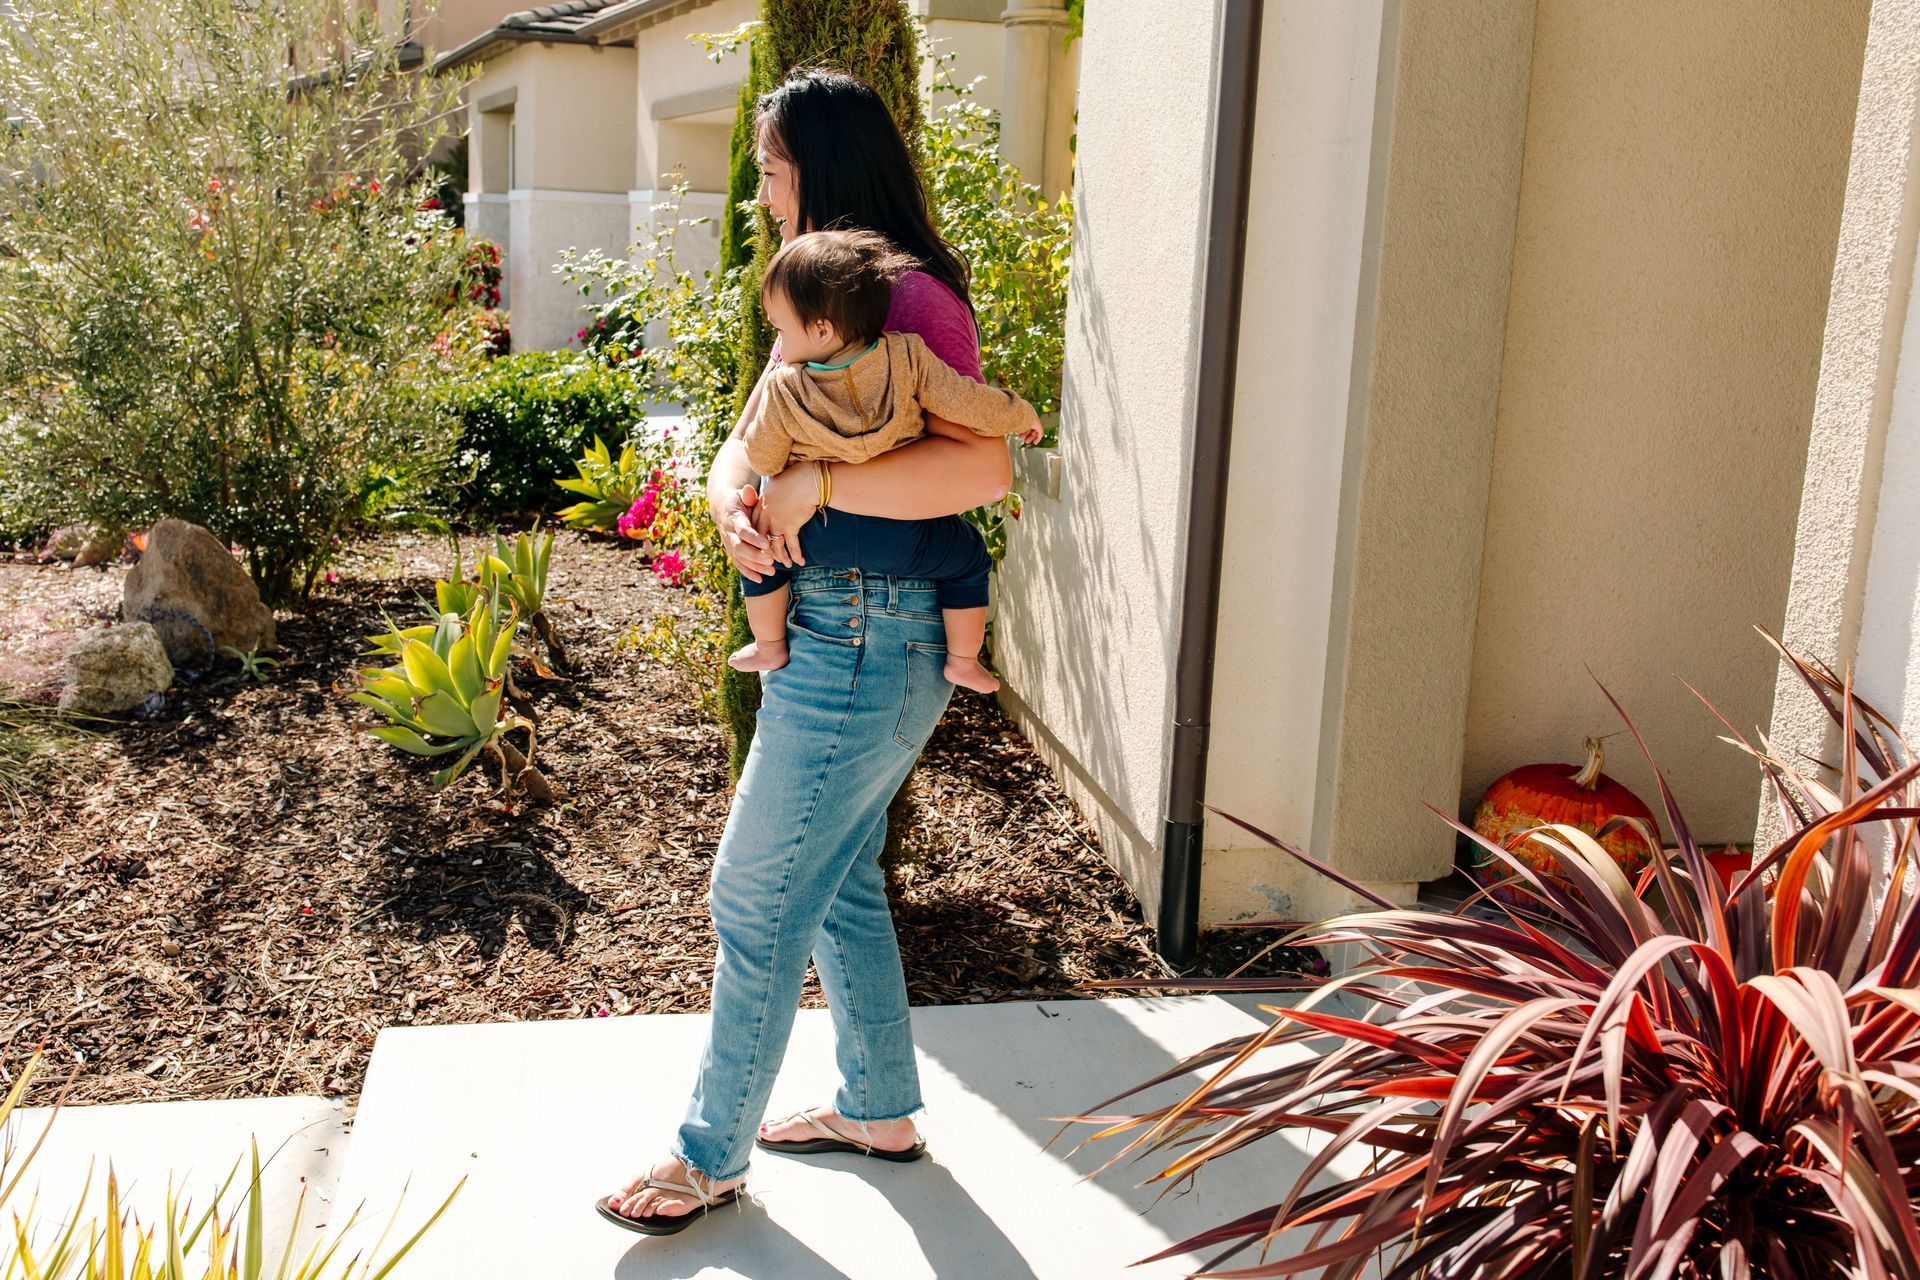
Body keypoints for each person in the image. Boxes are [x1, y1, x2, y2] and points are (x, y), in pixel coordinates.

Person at [596, 68, 1014, 1237]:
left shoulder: (913, 301)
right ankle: (879, 1106)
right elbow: (749, 442)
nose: (762, 192)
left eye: (773, 169)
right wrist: (737, 499)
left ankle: (707, 1154)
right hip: (843, 620)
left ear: (821, 167)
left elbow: (985, 470)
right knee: (836, 885)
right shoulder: (813, 292)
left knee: (754, 893)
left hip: (873, 626)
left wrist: (819, 480)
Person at [730, 228, 1043, 694]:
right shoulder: (909, 356)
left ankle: (770, 643)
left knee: (759, 552)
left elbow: (764, 456)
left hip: (817, 534)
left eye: (780, 328)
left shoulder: (785, 386)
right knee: (968, 558)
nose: (777, 341)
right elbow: (966, 403)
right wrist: (1019, 412)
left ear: (819, 329)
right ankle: (963, 660)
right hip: (903, 532)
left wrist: (771, 451)